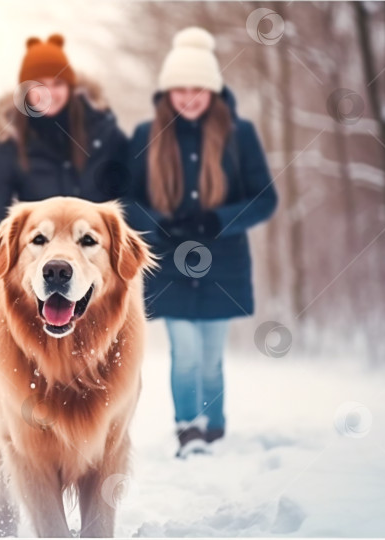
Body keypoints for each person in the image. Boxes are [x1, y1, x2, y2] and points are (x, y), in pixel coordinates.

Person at [123, 27, 277, 458]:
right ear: (167, 92)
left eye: (198, 89)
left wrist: (217, 220)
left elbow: (264, 199)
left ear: (212, 90)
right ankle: (187, 428)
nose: (188, 97)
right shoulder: (145, 136)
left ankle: (215, 425)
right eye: (180, 89)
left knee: (210, 357)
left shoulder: (239, 135)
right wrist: (159, 224)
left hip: (221, 265)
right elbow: (125, 199)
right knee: (184, 351)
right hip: (168, 264)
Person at [0, 34, 128, 315]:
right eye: (39, 85)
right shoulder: (8, 149)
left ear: (71, 88)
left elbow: (132, 205)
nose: (49, 93)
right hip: (42, 282)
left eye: (58, 83)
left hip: (95, 284)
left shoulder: (105, 137)